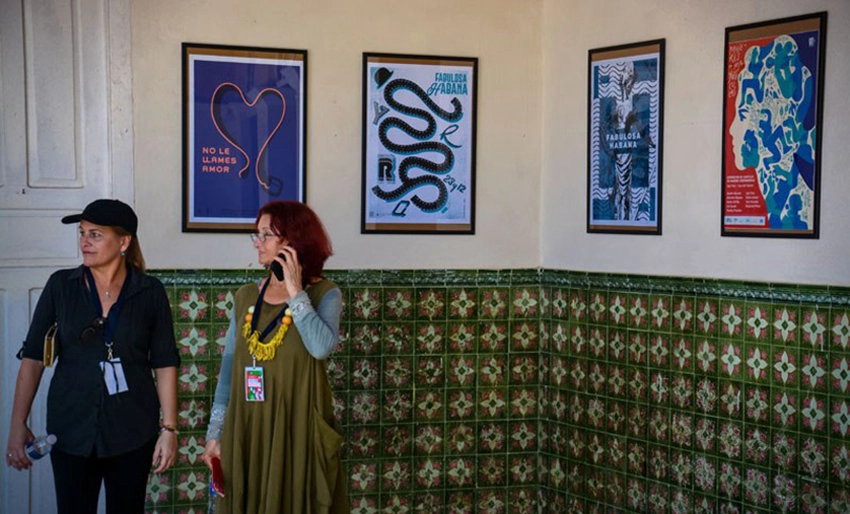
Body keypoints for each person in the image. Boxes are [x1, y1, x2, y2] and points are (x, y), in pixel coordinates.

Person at [5, 199, 180, 514]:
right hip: (71, 427)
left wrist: (169, 430)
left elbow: (165, 362)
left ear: (123, 241)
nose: (84, 241)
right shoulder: (61, 286)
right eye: (82, 232)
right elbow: (32, 358)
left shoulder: (149, 291)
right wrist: (18, 423)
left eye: (95, 234)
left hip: (133, 429)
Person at [201, 200, 348, 514]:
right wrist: (215, 434)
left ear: (292, 242)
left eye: (266, 235)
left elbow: (321, 347)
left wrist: (295, 291)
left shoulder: (326, 294)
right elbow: (229, 368)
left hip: (297, 430)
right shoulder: (245, 297)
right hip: (247, 427)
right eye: (256, 234)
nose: (257, 242)